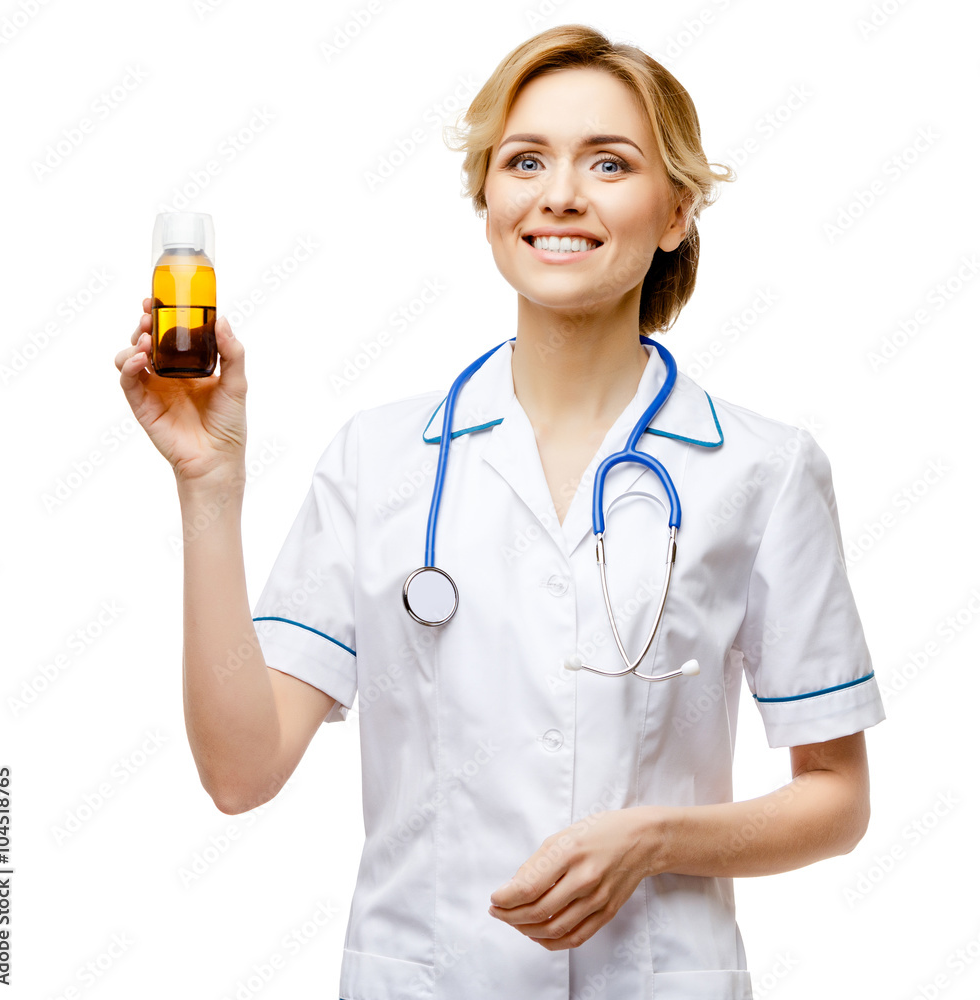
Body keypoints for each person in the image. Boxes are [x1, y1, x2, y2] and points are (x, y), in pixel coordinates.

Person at [115, 23, 885, 1000]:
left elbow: (837, 798)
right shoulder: (381, 458)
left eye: (608, 162)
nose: (559, 193)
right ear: (489, 199)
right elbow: (240, 768)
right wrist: (208, 484)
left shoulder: (763, 469)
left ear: (676, 210)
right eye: (525, 160)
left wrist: (653, 839)